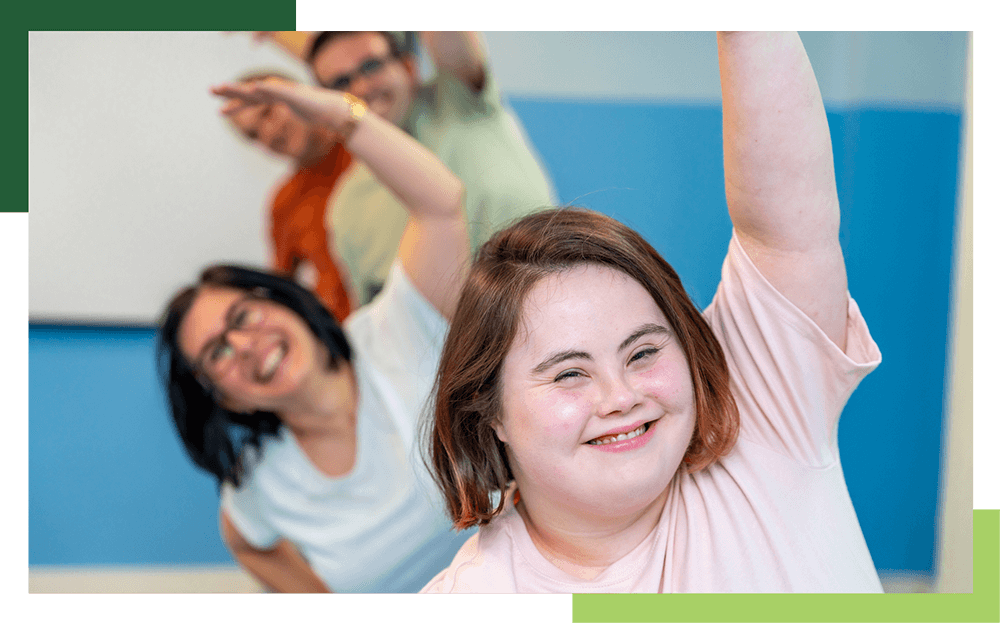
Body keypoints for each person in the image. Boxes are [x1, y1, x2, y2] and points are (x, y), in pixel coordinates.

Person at [421, 31, 884, 593]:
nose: (622, 397)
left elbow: (783, 231)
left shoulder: (764, 413)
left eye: (643, 352)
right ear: (488, 411)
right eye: (570, 373)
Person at [158, 77, 471, 593]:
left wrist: (341, 114)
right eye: (217, 353)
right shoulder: (258, 488)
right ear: (223, 398)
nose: (243, 345)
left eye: (241, 317)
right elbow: (244, 539)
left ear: (281, 299)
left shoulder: (398, 327)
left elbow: (441, 203)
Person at [263, 31, 558, 306]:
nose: (361, 88)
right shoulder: (345, 209)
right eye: (341, 83)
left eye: (371, 66)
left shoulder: (458, 100)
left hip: (555, 296)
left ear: (408, 66)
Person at [223, 70, 355, 322]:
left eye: (268, 112)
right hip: (351, 331)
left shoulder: (367, 143)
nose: (269, 133)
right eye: (253, 134)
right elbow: (281, 290)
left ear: (297, 95)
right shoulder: (284, 202)